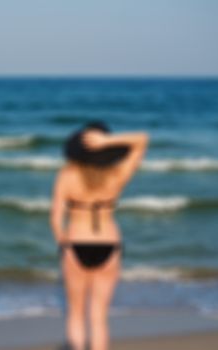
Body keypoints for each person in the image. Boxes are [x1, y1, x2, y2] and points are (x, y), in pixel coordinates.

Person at [49, 121, 148, 350]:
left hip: (75, 244)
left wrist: (63, 245)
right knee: (99, 317)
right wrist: (108, 141)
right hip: (109, 244)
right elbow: (142, 139)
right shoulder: (118, 174)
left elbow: (55, 218)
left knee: (75, 314)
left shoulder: (67, 174)